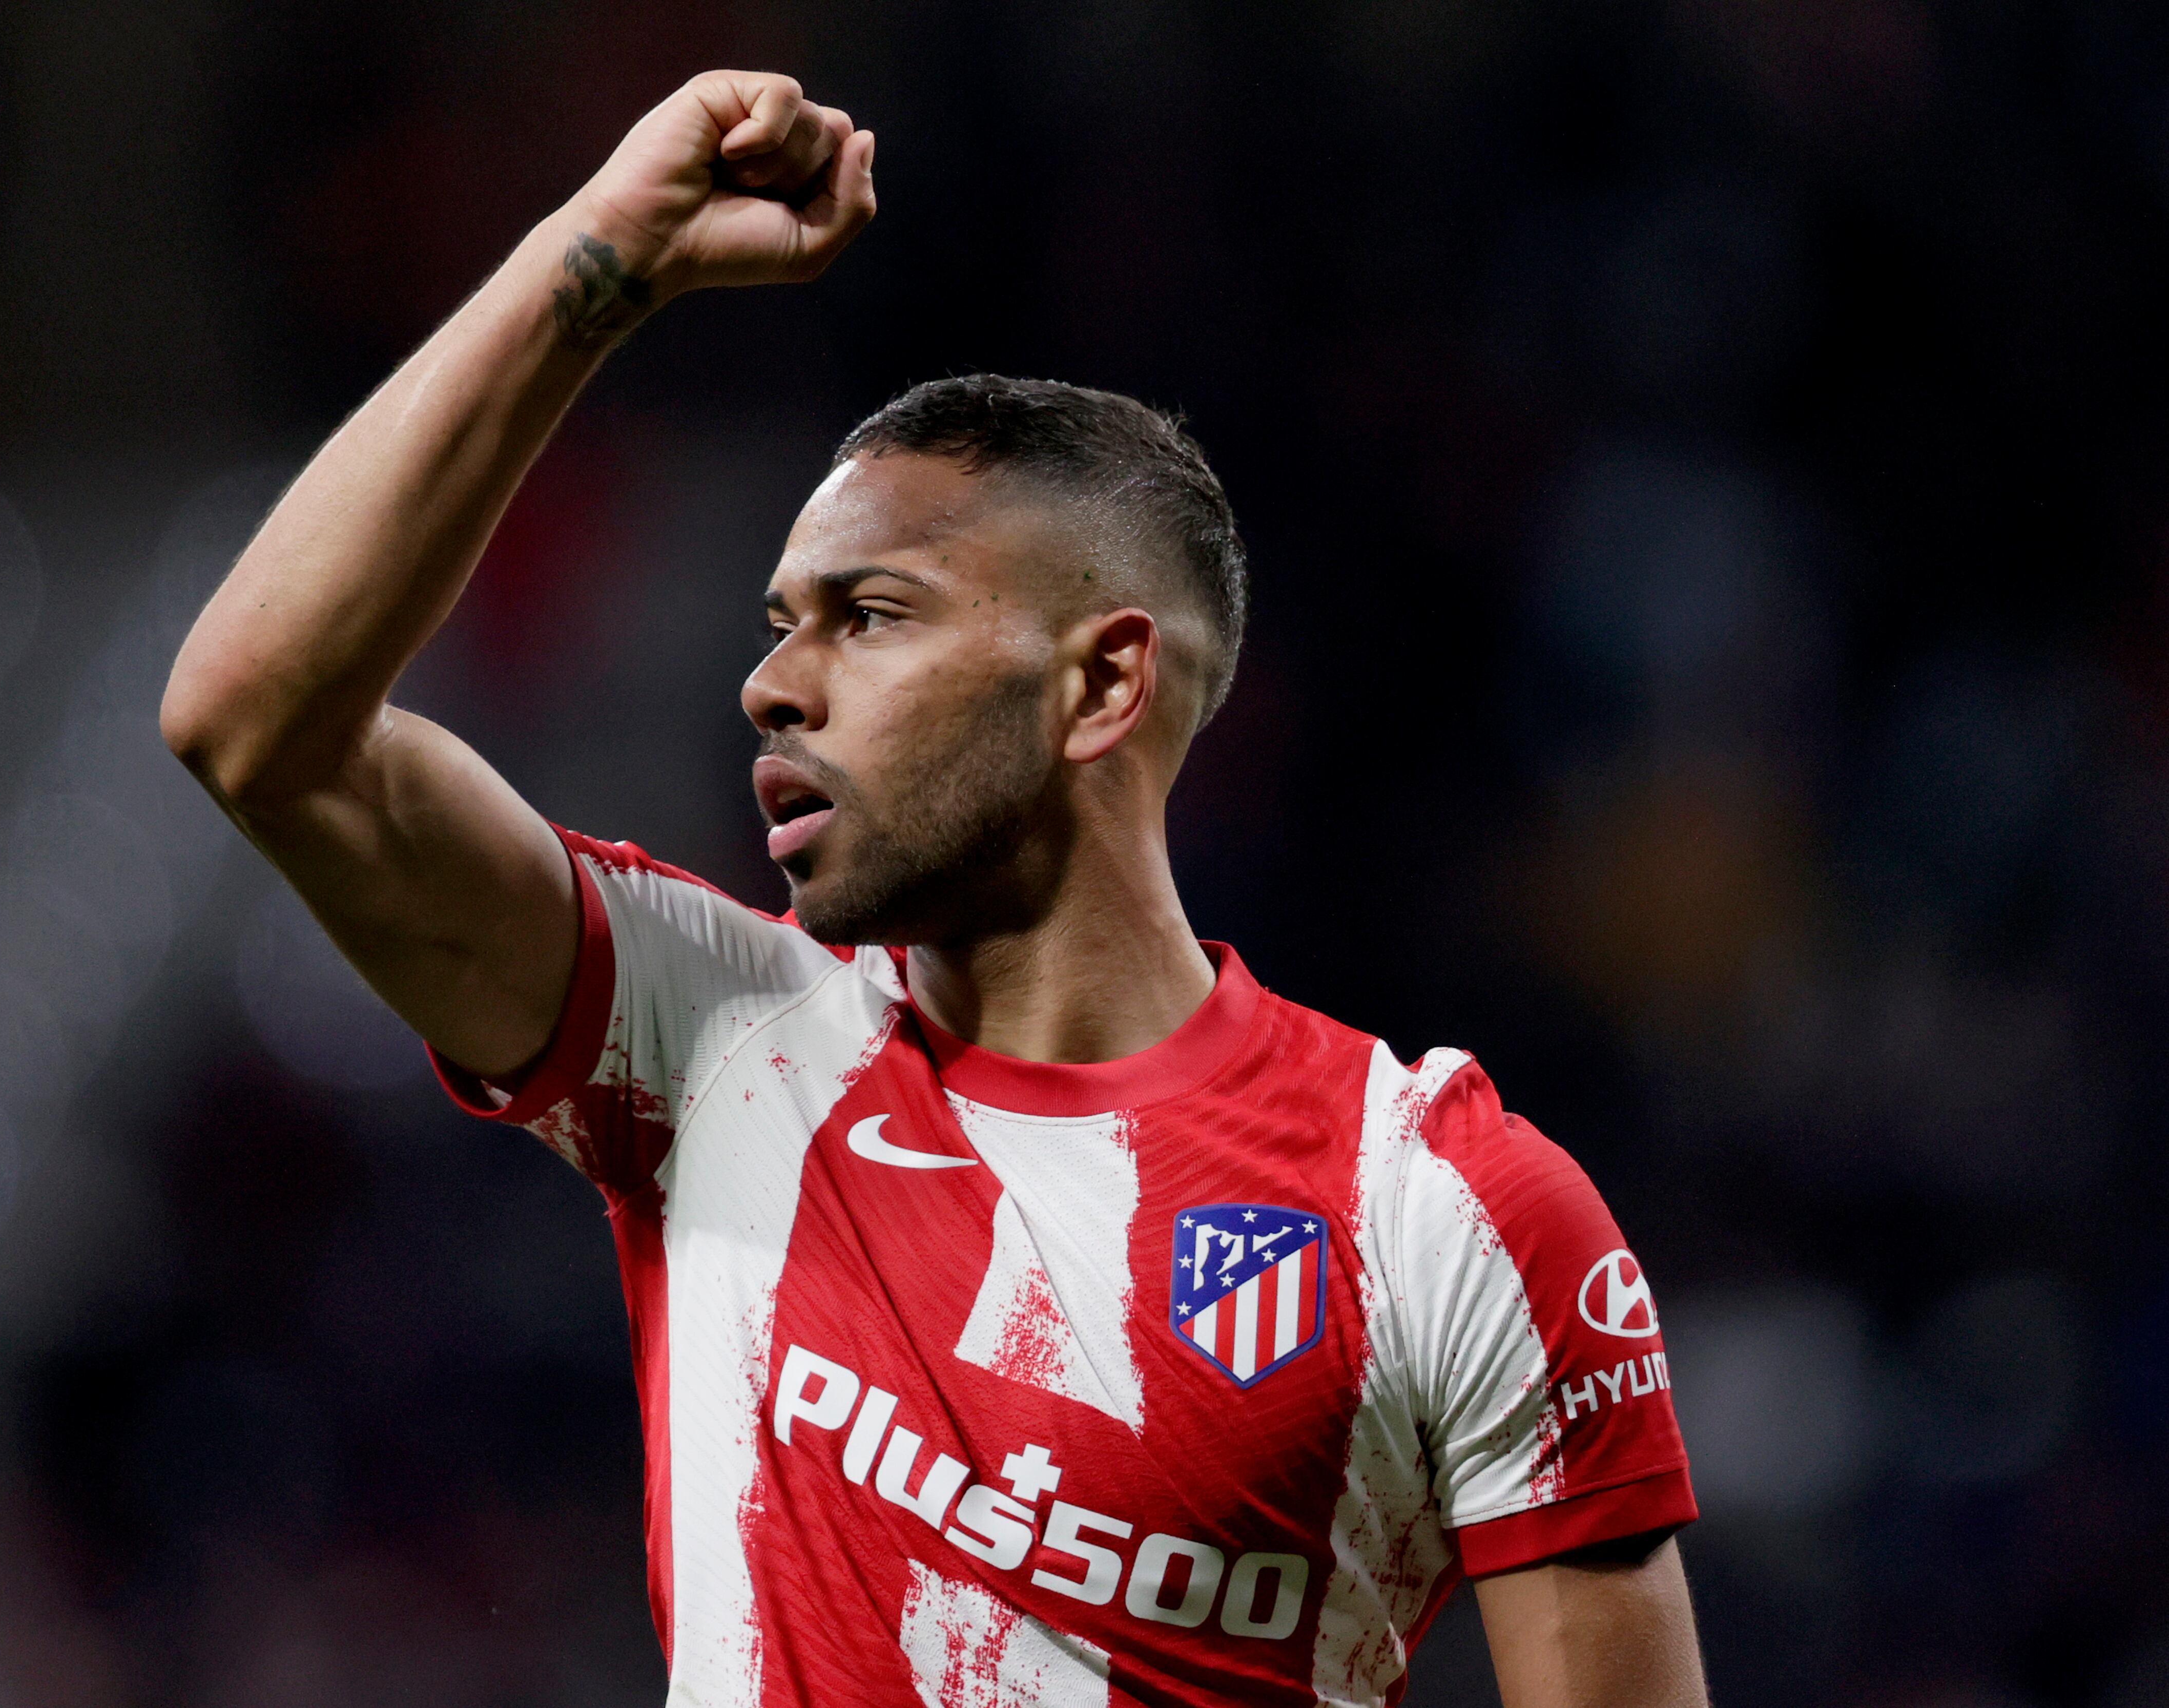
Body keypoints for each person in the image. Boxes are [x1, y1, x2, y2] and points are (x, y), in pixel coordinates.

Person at [162, 69, 1709, 1708]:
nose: (774, 684)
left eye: (870, 615)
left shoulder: (1442, 1212)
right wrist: (598, 257)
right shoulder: (711, 1045)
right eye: (777, 623)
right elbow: (259, 727)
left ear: (1100, 689)